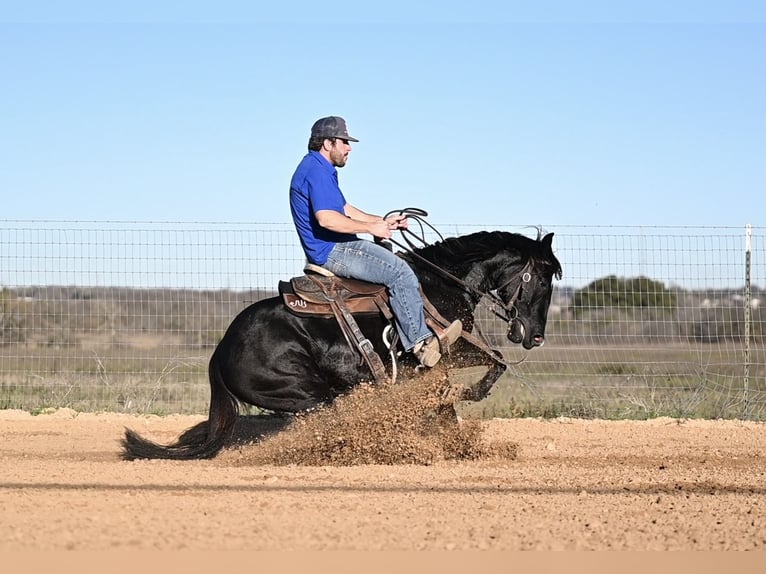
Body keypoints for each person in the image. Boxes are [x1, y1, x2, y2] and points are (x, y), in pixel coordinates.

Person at [289, 115, 462, 367]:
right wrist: (370, 227)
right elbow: (327, 219)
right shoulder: (315, 170)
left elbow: (344, 209)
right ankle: (420, 344)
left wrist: (382, 221)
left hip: (335, 246)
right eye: (344, 142)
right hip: (334, 250)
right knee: (401, 273)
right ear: (327, 143)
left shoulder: (320, 168)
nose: (349, 148)